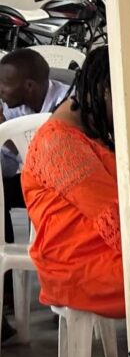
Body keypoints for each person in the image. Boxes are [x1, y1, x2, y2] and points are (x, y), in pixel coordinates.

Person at [22, 47, 130, 318]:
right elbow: (122, 219)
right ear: (106, 92)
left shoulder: (99, 120)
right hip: (79, 264)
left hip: (125, 240)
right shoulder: (59, 144)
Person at [0, 48, 71, 246]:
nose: (0, 91)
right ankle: (4, 255)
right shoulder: (13, 107)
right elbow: (8, 169)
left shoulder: (69, 105)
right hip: (34, 185)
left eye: (4, 85)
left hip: (67, 190)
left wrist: (8, 135)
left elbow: (54, 165)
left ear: (29, 86)